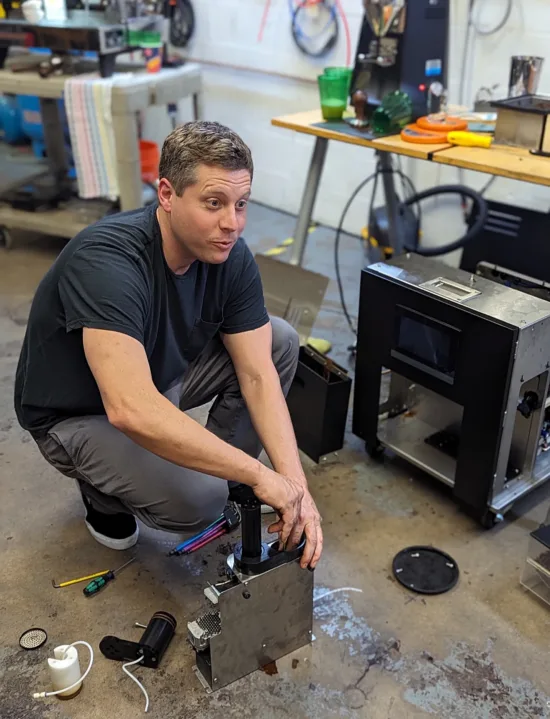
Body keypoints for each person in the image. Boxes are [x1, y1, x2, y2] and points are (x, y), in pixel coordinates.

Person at [14, 121, 323, 569]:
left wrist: (295, 487)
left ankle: (218, 475)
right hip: (78, 414)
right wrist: (259, 473)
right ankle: (103, 494)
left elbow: (258, 374)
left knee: (279, 341)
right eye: (213, 203)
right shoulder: (108, 261)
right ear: (166, 194)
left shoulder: (229, 254)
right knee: (199, 501)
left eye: (241, 205)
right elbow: (129, 408)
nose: (231, 224)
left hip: (157, 378)